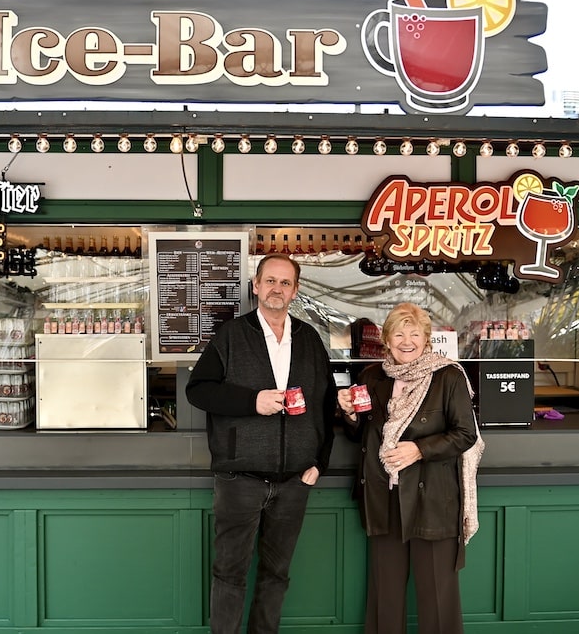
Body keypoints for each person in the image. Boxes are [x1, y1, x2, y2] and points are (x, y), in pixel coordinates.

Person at [186, 252, 337, 634]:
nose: (277, 289)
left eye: (285, 283)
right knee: (229, 574)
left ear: (295, 290)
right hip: (240, 478)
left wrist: (320, 461)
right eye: (270, 281)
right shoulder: (231, 336)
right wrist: (251, 402)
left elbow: (326, 402)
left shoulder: (309, 339)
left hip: (294, 482)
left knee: (276, 576)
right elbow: (198, 390)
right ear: (255, 286)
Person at [337, 302, 484, 634]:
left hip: (433, 498)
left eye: (414, 334)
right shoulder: (373, 376)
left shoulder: (448, 376)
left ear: (426, 339)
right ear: (387, 341)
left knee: (438, 598)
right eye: (399, 333)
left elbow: (465, 435)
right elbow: (362, 433)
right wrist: (347, 412)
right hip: (384, 498)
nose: (407, 341)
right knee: (385, 598)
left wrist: (419, 449)